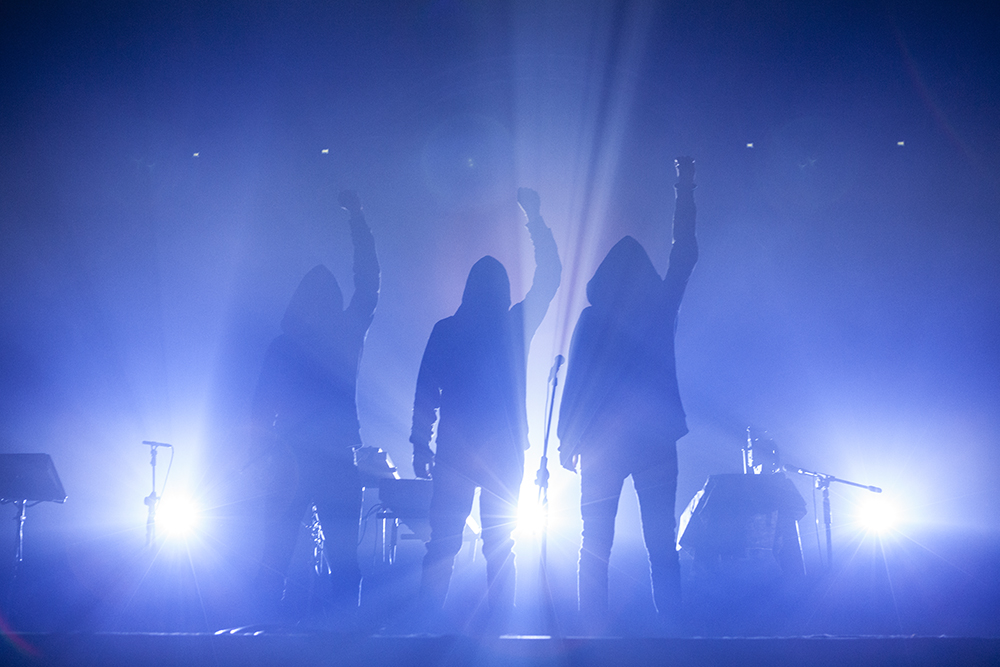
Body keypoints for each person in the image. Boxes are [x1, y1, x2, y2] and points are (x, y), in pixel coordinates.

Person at [557, 157, 698, 631]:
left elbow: (575, 382)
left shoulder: (593, 319)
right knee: (662, 544)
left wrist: (565, 440)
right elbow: (685, 254)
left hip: (601, 443)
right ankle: (674, 631)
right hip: (655, 440)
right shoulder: (658, 307)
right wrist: (684, 185)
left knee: (594, 543)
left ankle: (590, 632)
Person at [409, 188, 561, 626]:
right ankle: (500, 630)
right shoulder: (514, 326)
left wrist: (420, 445)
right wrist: (534, 217)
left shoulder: (447, 330)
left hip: (455, 451)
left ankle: (426, 627)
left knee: (442, 543)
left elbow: (425, 394)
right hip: (504, 451)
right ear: (504, 291)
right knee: (501, 543)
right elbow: (549, 275)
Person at [249, 189, 379, 624]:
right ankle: (348, 642)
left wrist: (257, 454)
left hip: (289, 457)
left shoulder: (284, 346)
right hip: (338, 456)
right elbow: (369, 282)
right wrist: (357, 218)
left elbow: (259, 409)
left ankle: (262, 641)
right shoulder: (346, 332)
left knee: (275, 554)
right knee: (344, 560)